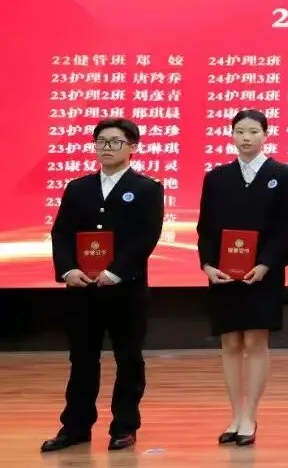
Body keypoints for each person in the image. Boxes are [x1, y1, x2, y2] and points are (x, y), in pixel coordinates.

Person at [42, 118, 165, 453]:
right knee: (82, 360)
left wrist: (116, 271)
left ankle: (124, 427)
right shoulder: (78, 188)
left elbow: (146, 236)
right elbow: (61, 233)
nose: (106, 148)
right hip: (83, 290)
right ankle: (75, 427)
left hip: (125, 290)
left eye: (115, 142)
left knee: (128, 359)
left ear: (133, 147)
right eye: (101, 141)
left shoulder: (147, 188)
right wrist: (68, 270)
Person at [196, 109, 288, 446]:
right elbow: (205, 227)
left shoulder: (282, 175)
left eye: (253, 131)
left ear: (265, 135)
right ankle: (235, 413)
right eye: (240, 131)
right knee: (229, 342)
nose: (246, 137)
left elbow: (284, 226)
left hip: (263, 272)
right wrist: (207, 264)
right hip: (223, 272)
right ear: (232, 135)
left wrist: (266, 263)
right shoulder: (217, 177)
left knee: (255, 341)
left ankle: (250, 416)